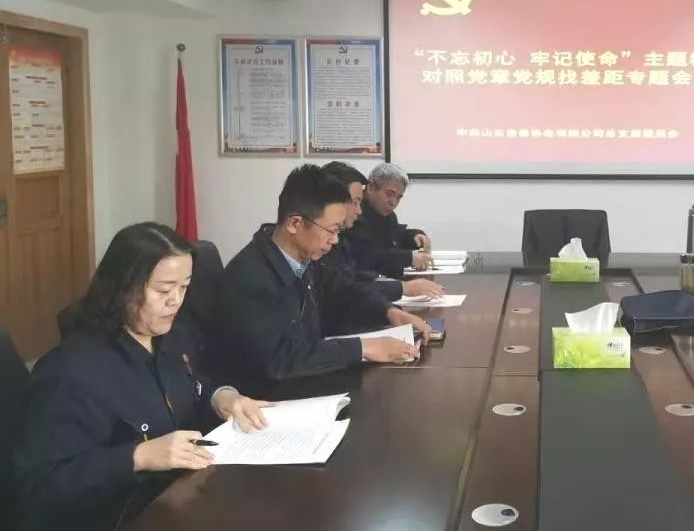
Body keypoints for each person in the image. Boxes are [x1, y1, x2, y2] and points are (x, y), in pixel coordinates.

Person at [13, 223, 269, 531]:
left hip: (183, 497)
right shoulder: (70, 372)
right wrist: (138, 456)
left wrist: (222, 397)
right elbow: (38, 487)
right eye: (163, 290)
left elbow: (191, 387)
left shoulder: (172, 335)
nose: (176, 300)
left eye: (184, 287)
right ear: (122, 288)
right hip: (123, 516)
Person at [218, 164, 418, 393]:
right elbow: (279, 360)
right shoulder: (250, 276)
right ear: (295, 224)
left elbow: (342, 292)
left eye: (338, 231)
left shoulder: (304, 259)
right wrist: (362, 348)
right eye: (331, 230)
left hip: (306, 383)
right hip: (268, 399)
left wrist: (388, 311)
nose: (335, 240)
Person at [319, 161, 442, 340]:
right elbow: (364, 260)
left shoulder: (384, 217)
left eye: (398, 198)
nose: (393, 202)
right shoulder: (349, 228)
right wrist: (402, 286)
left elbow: (350, 283)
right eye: (355, 202)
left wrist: (389, 311)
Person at [350, 162, 434, 277]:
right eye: (389, 194)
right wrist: (408, 258)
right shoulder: (354, 213)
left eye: (398, 197)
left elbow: (395, 238)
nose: (393, 202)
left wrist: (415, 237)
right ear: (371, 188)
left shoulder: (387, 215)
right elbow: (364, 255)